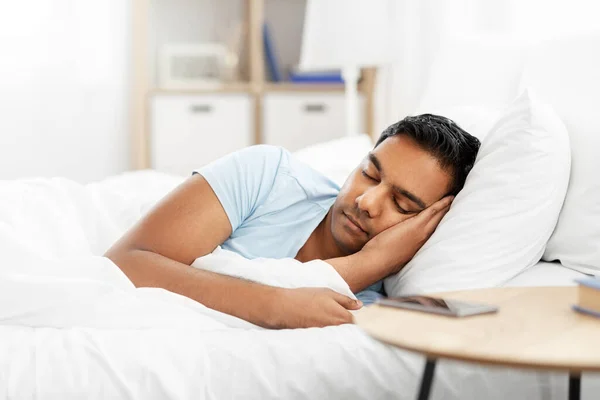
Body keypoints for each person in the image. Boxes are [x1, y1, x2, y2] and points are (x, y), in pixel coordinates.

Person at [105, 114, 480, 329]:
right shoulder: (269, 177)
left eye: (401, 204)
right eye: (369, 173)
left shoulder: (372, 307)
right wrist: (271, 303)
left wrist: (372, 269)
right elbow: (125, 261)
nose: (367, 202)